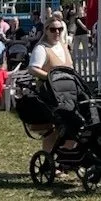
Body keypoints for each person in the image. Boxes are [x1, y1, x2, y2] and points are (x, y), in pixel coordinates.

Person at [28, 18, 74, 153]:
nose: (57, 32)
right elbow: (32, 69)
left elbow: (70, 67)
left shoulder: (63, 46)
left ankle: (65, 158)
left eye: (60, 29)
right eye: (53, 29)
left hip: (67, 92)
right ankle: (49, 162)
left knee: (73, 126)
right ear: (46, 31)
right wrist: (50, 77)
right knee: (52, 129)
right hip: (49, 93)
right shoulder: (42, 49)